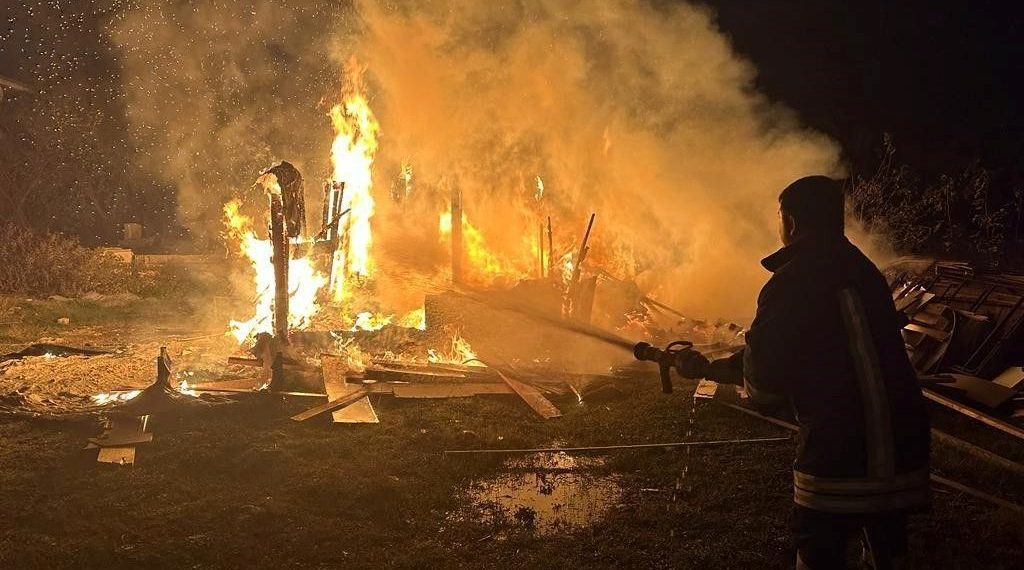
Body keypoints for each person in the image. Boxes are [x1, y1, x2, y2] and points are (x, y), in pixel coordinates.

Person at [677, 176, 930, 569]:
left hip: (838, 451)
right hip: (903, 444)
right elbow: (814, 347)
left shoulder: (793, 281)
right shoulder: (864, 273)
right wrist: (714, 366)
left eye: (780, 217)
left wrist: (729, 374)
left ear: (791, 222)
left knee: (818, 550)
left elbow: (766, 372)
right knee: (887, 548)